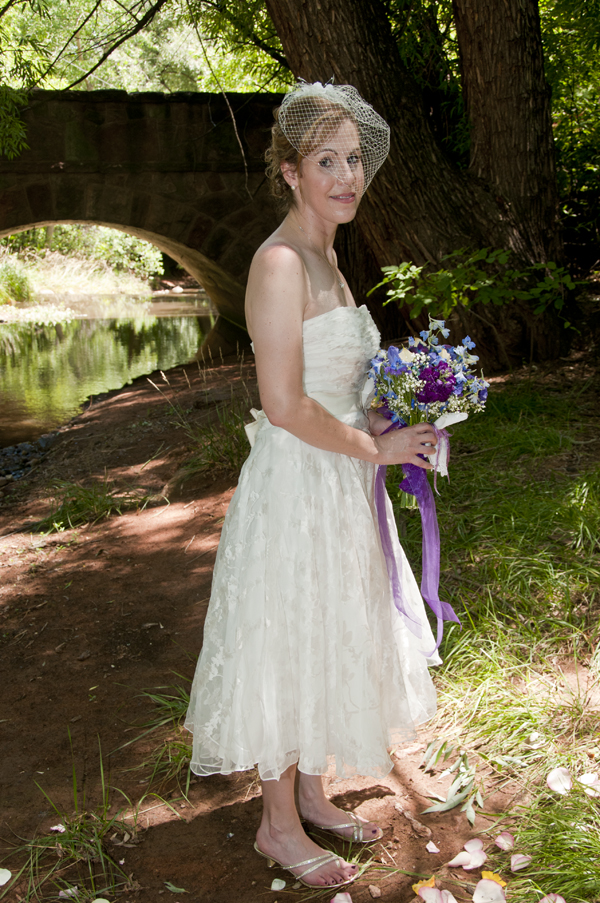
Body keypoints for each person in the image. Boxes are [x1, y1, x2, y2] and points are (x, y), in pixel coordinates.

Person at [185, 81, 440, 890]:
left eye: (354, 159)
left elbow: (339, 384)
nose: (346, 175)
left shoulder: (331, 255)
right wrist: (376, 445)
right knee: (287, 635)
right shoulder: (279, 261)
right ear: (291, 171)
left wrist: (407, 412)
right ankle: (276, 824)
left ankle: (314, 790)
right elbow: (286, 404)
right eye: (326, 160)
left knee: (333, 625)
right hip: (300, 485)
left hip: (342, 482)